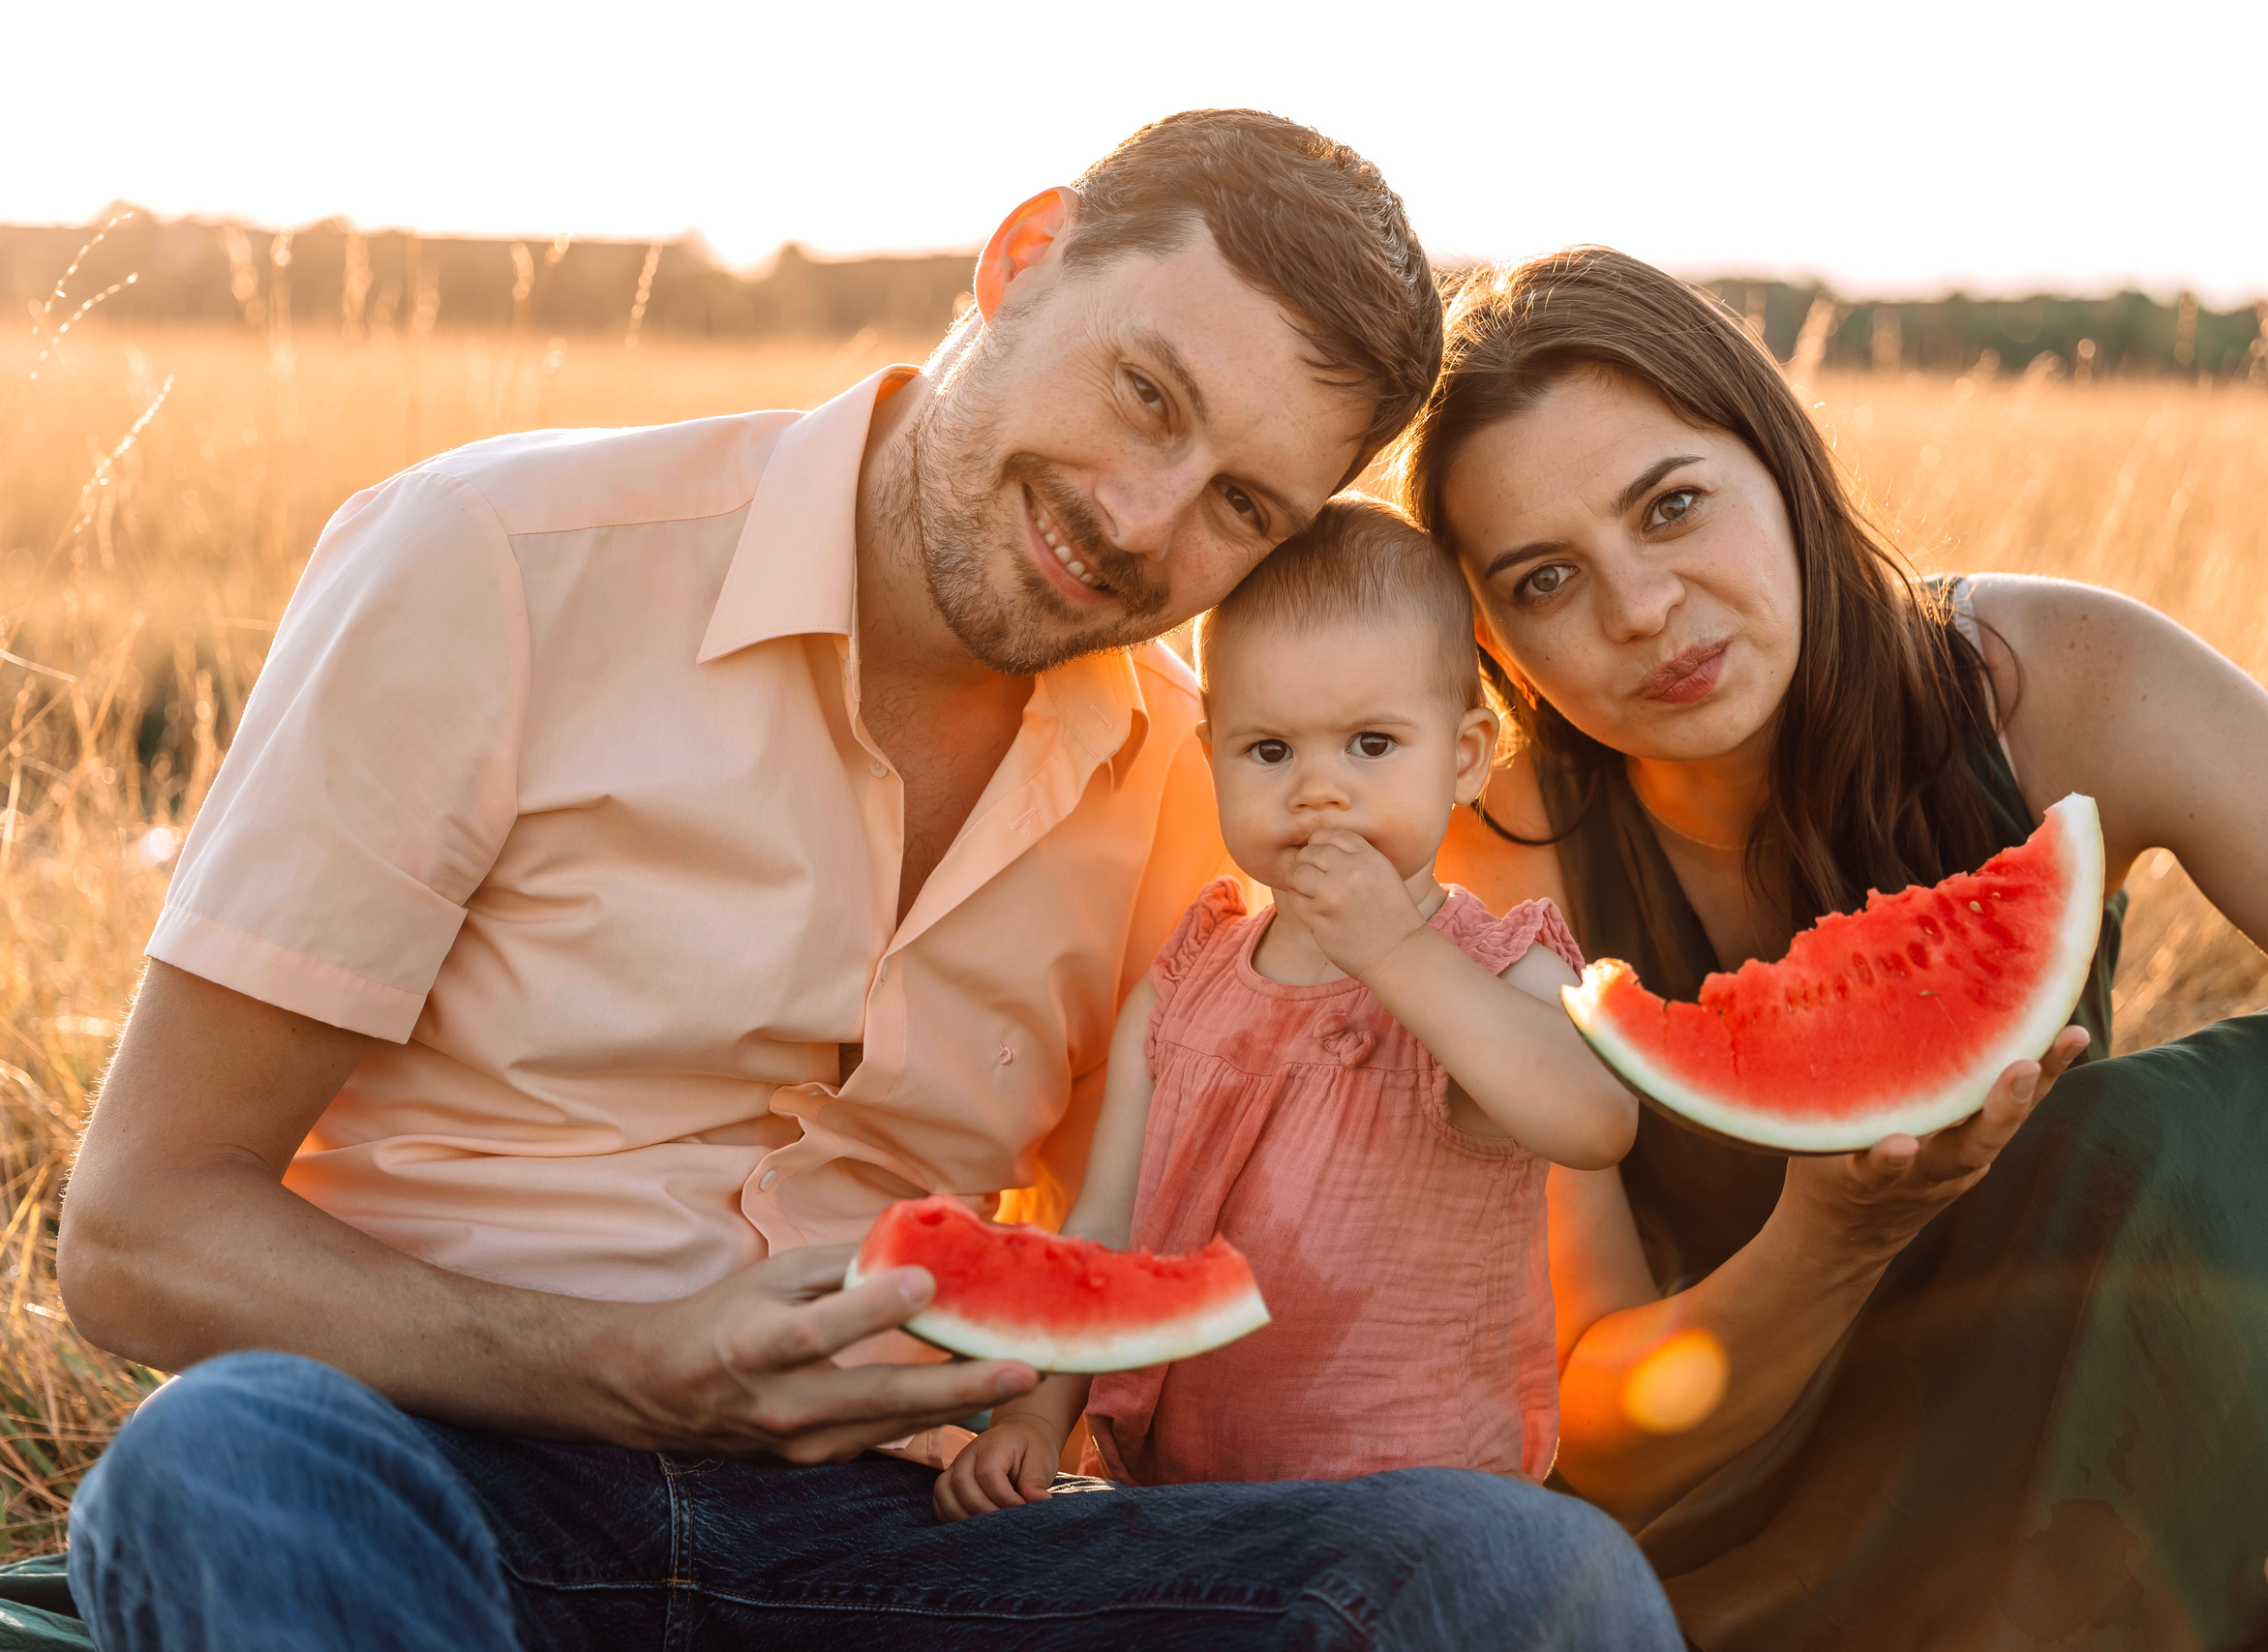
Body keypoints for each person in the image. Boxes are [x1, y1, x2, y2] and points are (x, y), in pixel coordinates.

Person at [52, 117, 1677, 1651]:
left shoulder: (1204, 781)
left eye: (1240, 507)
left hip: (906, 1552)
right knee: (224, 1459)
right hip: (443, 1484)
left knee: (1521, 1574)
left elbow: (1165, 1225)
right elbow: (140, 1231)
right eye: (1147, 397)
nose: (1133, 520)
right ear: (1024, 257)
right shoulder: (498, 563)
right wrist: (616, 1369)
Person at [1410, 247, 2268, 1652]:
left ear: (1783, 465)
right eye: (1548, 579)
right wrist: (1828, 1239)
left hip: (2104, 1408)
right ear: (1494, 637)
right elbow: (1603, 1428)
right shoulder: (1504, 867)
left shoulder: (2069, 683)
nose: (1642, 609)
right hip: (1769, 1499)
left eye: (1673, 506)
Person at [933, 497, 1642, 1520]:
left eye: (1369, 744)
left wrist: (1393, 950)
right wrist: (1039, 1419)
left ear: (1464, 755)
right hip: (1178, 1499)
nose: (1318, 790)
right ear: (1213, 751)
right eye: (1271, 752)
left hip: (1420, 1504)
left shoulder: (1494, 965)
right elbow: (1103, 1225)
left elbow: (1595, 1121)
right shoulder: (1183, 988)